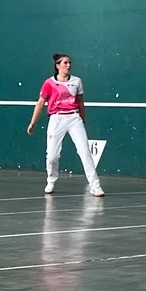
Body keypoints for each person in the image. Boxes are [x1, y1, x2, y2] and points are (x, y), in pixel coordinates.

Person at [27, 53, 104, 197]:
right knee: (52, 156)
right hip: (56, 119)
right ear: (57, 66)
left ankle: (95, 186)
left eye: (70, 63)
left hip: (74, 118)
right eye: (65, 63)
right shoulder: (49, 83)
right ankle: (51, 180)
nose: (69, 65)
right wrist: (33, 123)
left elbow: (80, 102)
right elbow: (40, 103)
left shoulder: (77, 81)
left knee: (85, 152)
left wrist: (82, 119)